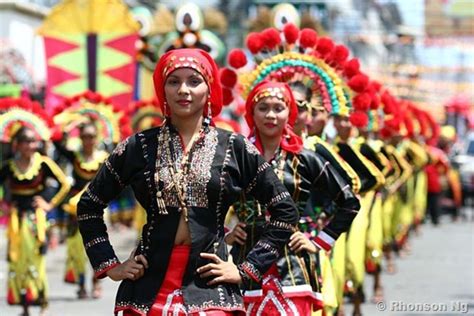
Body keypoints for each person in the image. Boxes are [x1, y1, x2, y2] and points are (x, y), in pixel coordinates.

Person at [77, 48, 299, 315]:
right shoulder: (139, 146)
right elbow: (89, 204)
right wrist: (111, 264)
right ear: (163, 90)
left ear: (208, 89)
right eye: (174, 81)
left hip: (210, 287)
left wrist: (246, 268)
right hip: (147, 288)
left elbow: (285, 210)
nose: (184, 89)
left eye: (194, 81)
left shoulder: (234, 147)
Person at [225, 81, 360, 315]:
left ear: (290, 113)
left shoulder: (305, 159)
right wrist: (226, 233)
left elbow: (350, 202)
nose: (271, 115)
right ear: (251, 113)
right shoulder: (236, 159)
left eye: (279, 108)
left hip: (293, 269)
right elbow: (209, 201)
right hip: (243, 266)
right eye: (263, 108)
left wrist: (319, 242)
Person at [1, 126, 70, 316]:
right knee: (17, 262)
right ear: (17, 145)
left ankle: (42, 302)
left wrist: (49, 204)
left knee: (36, 261)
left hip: (36, 221)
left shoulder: (44, 163)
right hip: (16, 222)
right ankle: (24, 305)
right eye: (26, 142)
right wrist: (4, 205)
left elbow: (65, 183)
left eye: (33, 141)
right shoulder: (9, 166)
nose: (30, 146)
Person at [52, 121, 108, 298]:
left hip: (96, 208)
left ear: (96, 138)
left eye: (91, 136)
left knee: (97, 245)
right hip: (75, 209)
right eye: (84, 136)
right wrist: (67, 128)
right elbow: (56, 144)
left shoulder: (104, 157)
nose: (88, 140)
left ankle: (96, 283)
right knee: (77, 248)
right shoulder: (75, 156)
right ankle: (82, 284)